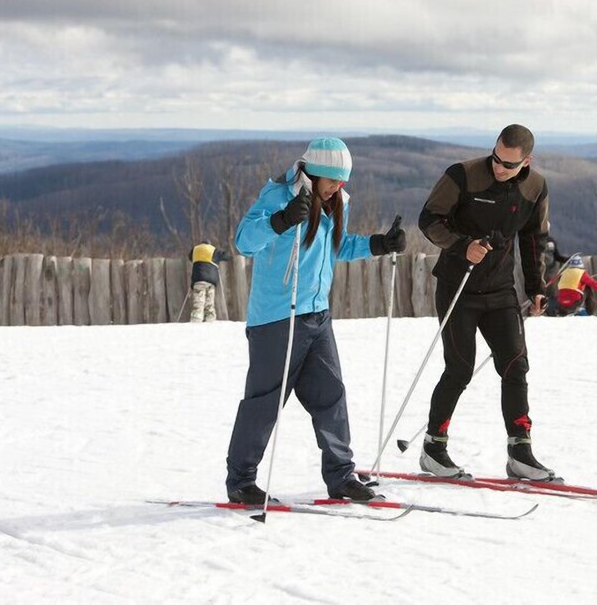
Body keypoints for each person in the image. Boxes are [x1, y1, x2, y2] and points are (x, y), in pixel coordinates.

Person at [224, 137, 407, 505]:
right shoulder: (278, 196)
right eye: (333, 179)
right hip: (277, 318)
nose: (339, 186)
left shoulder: (337, 202)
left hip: (317, 315)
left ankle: (340, 475)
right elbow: (243, 242)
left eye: (343, 180)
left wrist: (378, 244)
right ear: (313, 172)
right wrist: (281, 219)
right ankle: (241, 481)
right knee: (265, 401)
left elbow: (334, 246)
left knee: (331, 396)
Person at [417, 123, 556, 481]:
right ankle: (434, 448)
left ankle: (520, 453)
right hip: (458, 287)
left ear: (526, 161)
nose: (499, 168)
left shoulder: (535, 187)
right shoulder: (463, 175)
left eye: (509, 164)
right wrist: (464, 245)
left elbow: (533, 240)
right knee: (460, 369)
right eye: (496, 158)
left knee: (515, 367)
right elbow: (429, 220)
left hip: (500, 291)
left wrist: (536, 287)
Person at [187, 240, 233, 322]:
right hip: (211, 281)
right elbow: (227, 256)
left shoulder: (195, 250)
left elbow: (190, 257)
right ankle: (210, 320)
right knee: (210, 303)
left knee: (198, 302)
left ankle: (195, 321)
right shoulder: (212, 250)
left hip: (198, 280)